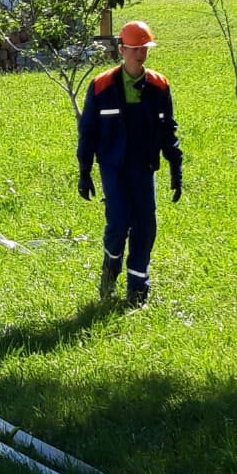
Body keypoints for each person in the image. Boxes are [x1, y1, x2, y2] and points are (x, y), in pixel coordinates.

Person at [76, 20, 184, 307]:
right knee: (119, 222)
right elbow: (88, 131)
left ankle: (138, 292)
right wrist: (84, 171)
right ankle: (110, 269)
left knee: (145, 226)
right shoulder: (101, 86)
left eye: (144, 49)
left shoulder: (159, 86)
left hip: (144, 165)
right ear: (122, 50)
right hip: (113, 166)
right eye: (135, 49)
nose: (140, 55)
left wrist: (176, 167)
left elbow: (168, 129)